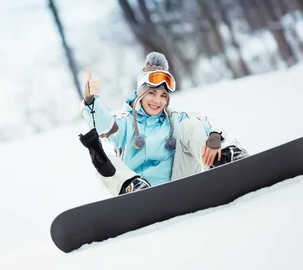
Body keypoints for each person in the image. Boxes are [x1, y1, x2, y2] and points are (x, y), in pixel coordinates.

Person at [80, 51, 249, 195]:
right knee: (103, 162)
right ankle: (132, 189)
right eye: (152, 93)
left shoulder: (175, 119)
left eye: (163, 95)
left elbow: (204, 122)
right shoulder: (124, 123)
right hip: (141, 192)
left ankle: (221, 163)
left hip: (181, 183)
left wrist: (214, 137)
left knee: (191, 125)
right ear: (140, 94)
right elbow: (103, 126)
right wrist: (90, 100)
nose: (157, 101)